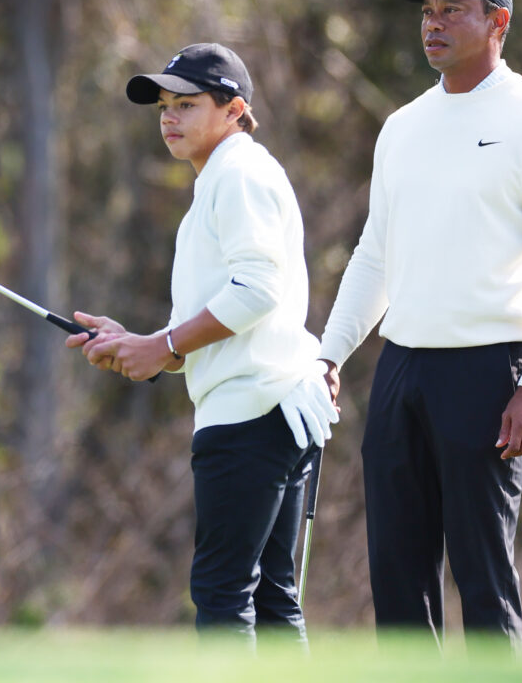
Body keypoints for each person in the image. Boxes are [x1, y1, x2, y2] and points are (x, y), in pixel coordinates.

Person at [317, 0, 522, 651]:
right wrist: (329, 353)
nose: (434, 24)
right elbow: (374, 253)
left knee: (483, 574)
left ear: (498, 23)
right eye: (427, 11)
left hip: (490, 369)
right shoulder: (403, 126)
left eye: (453, 10)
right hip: (402, 368)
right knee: (398, 576)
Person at [65, 43, 338, 644]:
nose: (169, 117)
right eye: (165, 105)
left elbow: (258, 289)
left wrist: (162, 345)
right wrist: (140, 343)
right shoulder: (226, 178)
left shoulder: (237, 174)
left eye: (186, 104)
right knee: (269, 597)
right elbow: (230, 308)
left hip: (251, 414)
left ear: (234, 109)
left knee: (223, 593)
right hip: (272, 409)